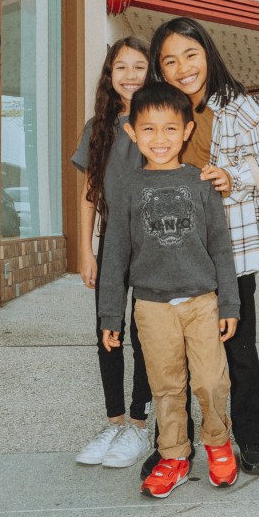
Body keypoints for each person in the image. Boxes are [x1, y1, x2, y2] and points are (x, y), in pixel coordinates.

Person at [147, 17, 259, 477]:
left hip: (231, 249)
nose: (183, 67)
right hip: (172, 253)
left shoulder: (237, 105)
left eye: (190, 55)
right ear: (160, 68)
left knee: (238, 350)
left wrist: (236, 177)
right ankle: (173, 444)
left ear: (207, 53)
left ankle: (250, 435)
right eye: (170, 60)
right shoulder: (161, 109)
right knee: (171, 356)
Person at [98, 82, 240, 499]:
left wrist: (229, 303)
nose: (159, 139)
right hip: (151, 306)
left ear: (187, 130)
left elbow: (221, 247)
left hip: (202, 301)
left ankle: (217, 442)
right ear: (132, 132)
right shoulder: (127, 187)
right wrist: (110, 314)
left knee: (211, 381)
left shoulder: (201, 182)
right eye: (149, 129)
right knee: (166, 386)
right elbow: (115, 256)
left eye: (170, 128)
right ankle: (174, 454)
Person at [71, 37, 154, 468]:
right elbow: (89, 195)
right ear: (110, 74)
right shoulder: (97, 127)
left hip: (155, 241)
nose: (130, 75)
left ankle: (139, 424)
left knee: (145, 332)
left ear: (150, 72)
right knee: (108, 329)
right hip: (113, 241)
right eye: (121, 67)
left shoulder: (160, 120)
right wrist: (87, 251)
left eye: (139, 66)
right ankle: (114, 421)